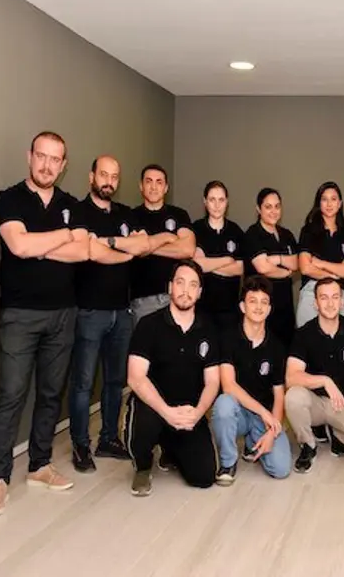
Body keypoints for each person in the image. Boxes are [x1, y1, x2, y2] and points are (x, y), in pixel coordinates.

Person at [0, 131, 88, 518]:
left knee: (50, 393)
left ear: (64, 165)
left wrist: (39, 245)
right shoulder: (9, 198)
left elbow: (83, 251)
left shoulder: (71, 204)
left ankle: (40, 465)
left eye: (55, 159)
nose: (47, 165)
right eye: (41, 156)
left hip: (63, 313)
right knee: (11, 394)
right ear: (30, 157)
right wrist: (62, 237)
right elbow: (19, 246)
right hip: (19, 315)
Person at [68, 155, 151, 473]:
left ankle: (108, 439)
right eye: (103, 175)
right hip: (90, 311)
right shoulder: (78, 211)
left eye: (114, 176)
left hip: (122, 311)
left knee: (115, 381)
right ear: (92, 177)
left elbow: (143, 245)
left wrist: (108, 244)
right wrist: (123, 251)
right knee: (83, 383)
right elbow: (88, 251)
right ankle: (80, 444)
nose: (109, 181)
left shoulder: (125, 213)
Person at [124, 260, 221, 496]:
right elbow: (135, 378)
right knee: (144, 419)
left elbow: (213, 382)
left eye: (192, 285)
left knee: (204, 477)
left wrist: (198, 413)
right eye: (180, 283)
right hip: (154, 407)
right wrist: (166, 412)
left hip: (188, 410)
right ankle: (143, 466)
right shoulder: (149, 325)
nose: (185, 290)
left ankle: (170, 448)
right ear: (170, 287)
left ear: (199, 292)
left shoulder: (209, 328)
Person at [285, 278, 344, 473]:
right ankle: (308, 444)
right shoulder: (304, 334)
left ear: (342, 301)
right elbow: (291, 377)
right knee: (293, 396)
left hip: (343, 403)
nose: (330, 303)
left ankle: (337, 432)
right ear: (315, 303)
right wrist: (324, 381)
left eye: (335, 297)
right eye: (324, 298)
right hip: (313, 403)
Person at [212, 276, 291, 483]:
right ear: (242, 306)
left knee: (281, 469)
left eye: (264, 302)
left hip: (261, 418)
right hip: (237, 412)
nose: (258, 307)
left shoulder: (277, 347)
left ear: (269, 309)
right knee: (223, 404)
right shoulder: (227, 338)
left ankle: (251, 443)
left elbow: (279, 395)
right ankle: (228, 462)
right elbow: (228, 385)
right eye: (252, 301)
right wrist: (264, 412)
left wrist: (272, 431)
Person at [130, 164, 195, 325]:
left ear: (166, 188)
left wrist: (147, 246)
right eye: (149, 181)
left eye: (159, 182)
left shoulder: (179, 214)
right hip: (143, 300)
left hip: (175, 297)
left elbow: (187, 250)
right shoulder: (131, 216)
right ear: (141, 186)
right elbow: (134, 249)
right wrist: (167, 237)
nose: (154, 187)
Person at [243, 188, 298, 352]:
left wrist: (277, 259)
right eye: (268, 207)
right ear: (258, 209)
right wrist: (286, 272)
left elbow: (296, 263)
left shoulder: (287, 235)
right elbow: (263, 267)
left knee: (285, 353)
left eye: (277, 206)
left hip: (285, 308)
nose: (273, 211)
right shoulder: (252, 234)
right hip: (260, 308)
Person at [297, 181, 344, 326]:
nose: (329, 204)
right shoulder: (309, 231)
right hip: (312, 292)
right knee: (308, 338)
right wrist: (335, 274)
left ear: (340, 203)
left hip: (337, 295)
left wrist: (320, 263)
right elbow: (305, 268)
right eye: (324, 199)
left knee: (336, 339)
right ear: (319, 203)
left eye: (333, 199)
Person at [192, 180, 244, 334]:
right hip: (201, 308)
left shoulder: (236, 231)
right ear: (205, 201)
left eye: (221, 200)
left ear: (227, 202)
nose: (217, 205)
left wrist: (207, 263)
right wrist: (227, 260)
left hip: (230, 310)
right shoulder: (196, 229)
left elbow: (239, 268)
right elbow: (196, 266)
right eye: (212, 199)